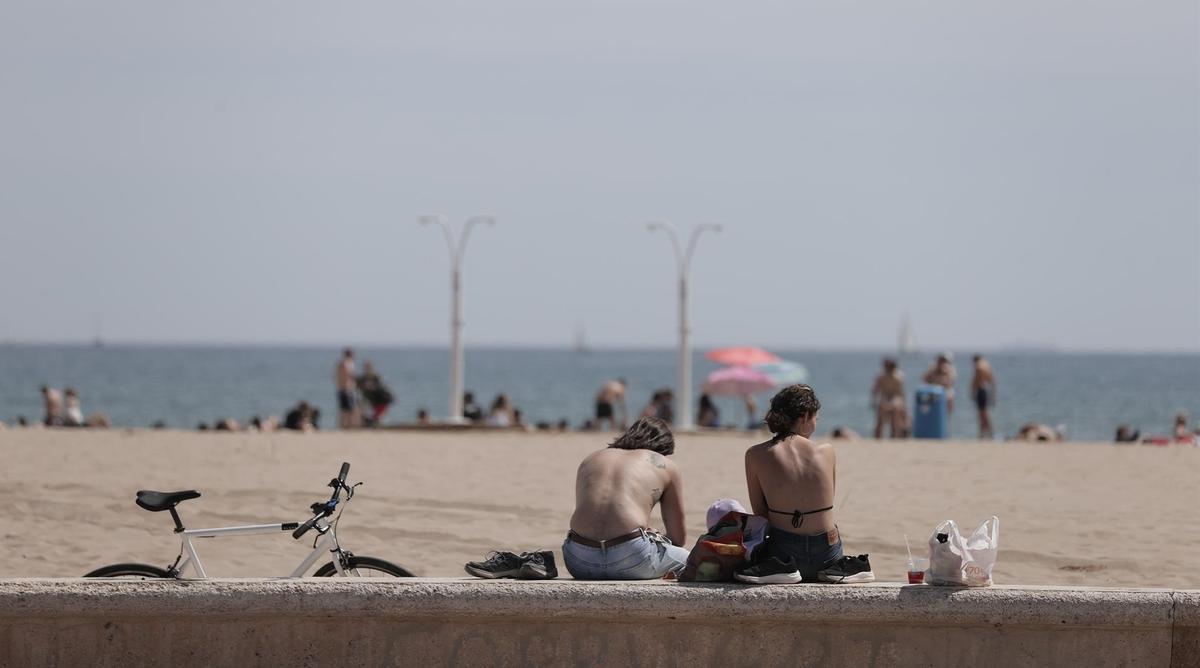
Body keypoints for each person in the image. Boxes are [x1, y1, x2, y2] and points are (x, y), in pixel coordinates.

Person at [744, 384, 871, 583]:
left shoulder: (755, 455)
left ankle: (784, 570)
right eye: (815, 419)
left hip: (784, 555)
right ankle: (834, 570)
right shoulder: (826, 451)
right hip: (827, 554)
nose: (815, 425)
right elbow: (826, 501)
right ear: (804, 417)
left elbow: (761, 514)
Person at [562, 417, 689, 580]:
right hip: (632, 559)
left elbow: (597, 517)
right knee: (688, 559)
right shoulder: (664, 464)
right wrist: (653, 537)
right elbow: (678, 538)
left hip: (577, 560)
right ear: (663, 448)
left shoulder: (591, 459)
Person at [870, 358, 908, 439]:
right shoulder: (881, 376)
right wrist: (873, 400)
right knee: (880, 419)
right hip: (885, 397)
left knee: (895, 418)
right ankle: (878, 437)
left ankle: (894, 436)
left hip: (894, 398)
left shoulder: (898, 376)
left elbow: (900, 391)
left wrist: (903, 403)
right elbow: (876, 389)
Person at [357, 361, 395, 426]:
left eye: (369, 367)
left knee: (377, 416)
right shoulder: (362, 379)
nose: (367, 369)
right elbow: (360, 390)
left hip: (382, 399)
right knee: (369, 415)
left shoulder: (376, 377)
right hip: (372, 400)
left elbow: (381, 388)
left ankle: (377, 425)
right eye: (366, 367)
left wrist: (372, 387)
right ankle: (372, 424)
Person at [970, 355, 997, 439]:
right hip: (985, 390)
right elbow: (992, 381)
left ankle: (983, 433)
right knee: (984, 413)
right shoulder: (986, 365)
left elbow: (975, 380)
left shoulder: (978, 366)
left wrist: (972, 391)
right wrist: (993, 395)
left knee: (982, 414)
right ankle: (988, 433)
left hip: (981, 391)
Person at [335, 348, 361, 429]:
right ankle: (347, 426)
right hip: (346, 390)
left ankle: (344, 426)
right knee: (348, 410)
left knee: (345, 410)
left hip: (343, 389)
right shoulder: (346, 363)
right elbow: (349, 376)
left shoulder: (341, 364)